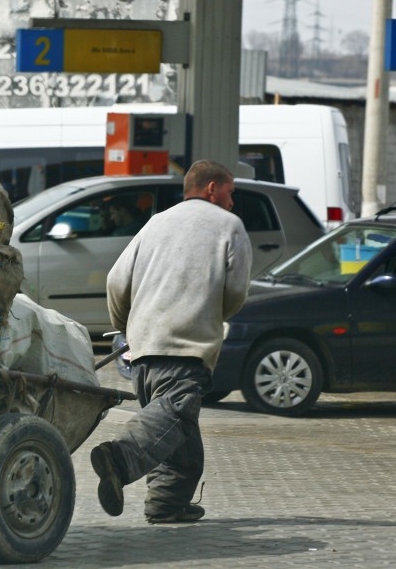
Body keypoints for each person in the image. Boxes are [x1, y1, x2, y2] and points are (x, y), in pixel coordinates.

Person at [90, 160, 252, 523]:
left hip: (143, 349)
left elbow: (116, 281)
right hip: (186, 346)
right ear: (212, 188)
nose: (232, 202)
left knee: (176, 432)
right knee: (176, 413)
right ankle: (120, 458)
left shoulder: (156, 222)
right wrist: (211, 314)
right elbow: (237, 291)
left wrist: (128, 328)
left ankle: (166, 503)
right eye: (230, 192)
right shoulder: (229, 226)